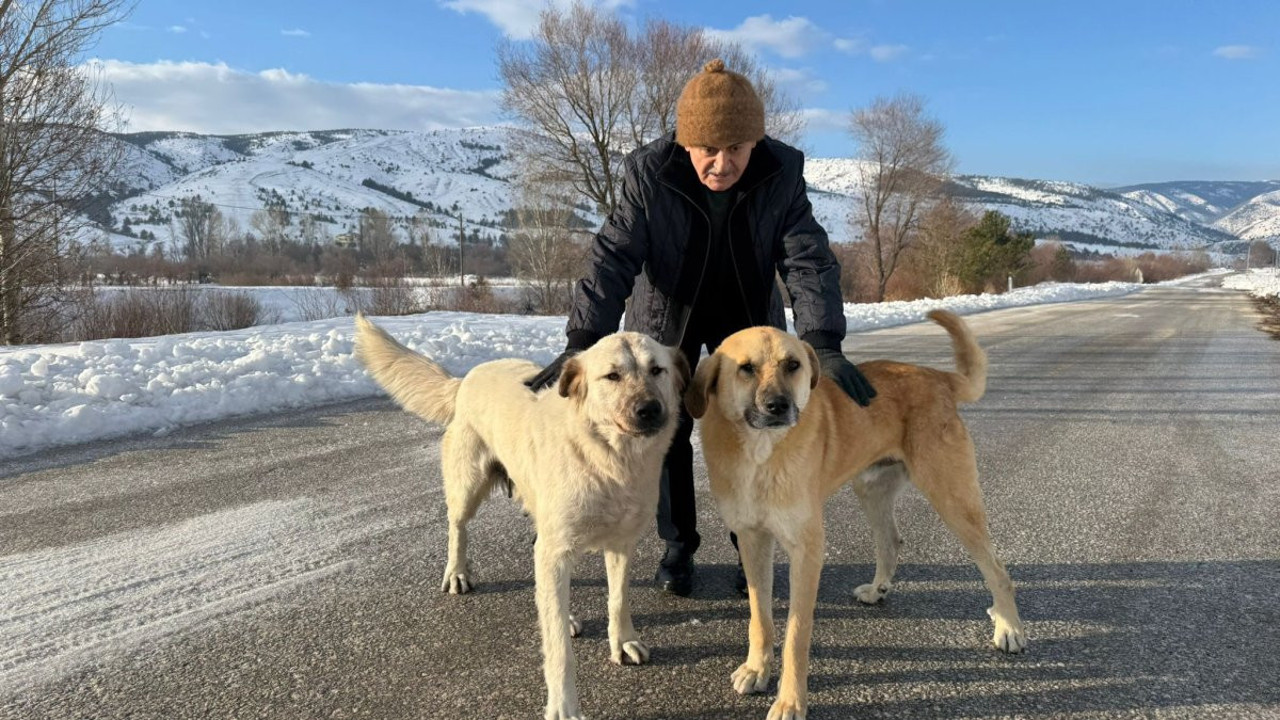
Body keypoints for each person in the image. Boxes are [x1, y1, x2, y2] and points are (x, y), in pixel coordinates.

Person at [526, 59, 875, 597]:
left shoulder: (782, 172)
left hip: (746, 319)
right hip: (667, 316)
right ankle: (678, 545)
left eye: (736, 148)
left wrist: (824, 341)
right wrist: (580, 340)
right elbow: (613, 257)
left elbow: (807, 258)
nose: (721, 162)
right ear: (685, 143)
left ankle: (749, 546)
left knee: (753, 422)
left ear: (755, 142)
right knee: (665, 428)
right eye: (707, 149)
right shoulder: (649, 172)